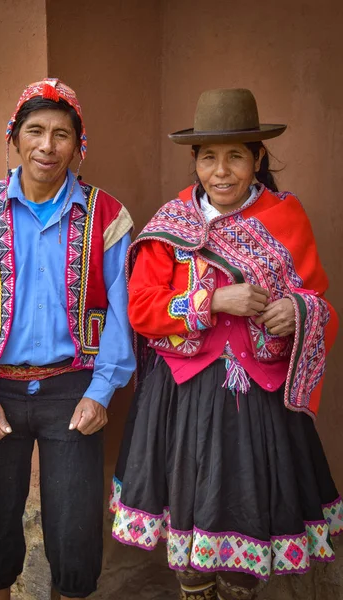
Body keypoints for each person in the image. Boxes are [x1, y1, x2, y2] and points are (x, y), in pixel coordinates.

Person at [110, 88, 341, 600]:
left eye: (236, 156)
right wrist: (213, 300)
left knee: (246, 533)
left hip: (259, 402)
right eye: (209, 157)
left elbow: (318, 302)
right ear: (195, 162)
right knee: (190, 540)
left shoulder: (286, 218)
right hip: (183, 399)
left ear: (258, 159)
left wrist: (296, 311)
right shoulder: (172, 226)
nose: (222, 171)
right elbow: (142, 308)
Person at [0, 78, 135, 599]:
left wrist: (102, 391)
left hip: (74, 391)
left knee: (74, 537)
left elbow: (123, 311)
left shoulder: (108, 217)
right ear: (15, 137)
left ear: (79, 144)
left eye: (61, 134)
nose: (47, 146)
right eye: (35, 131)